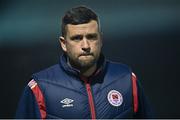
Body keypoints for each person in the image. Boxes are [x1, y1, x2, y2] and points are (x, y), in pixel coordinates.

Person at [15, 5, 154, 119]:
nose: (86, 45)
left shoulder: (126, 79)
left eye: (92, 37)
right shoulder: (40, 87)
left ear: (101, 40)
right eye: (77, 38)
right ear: (63, 44)